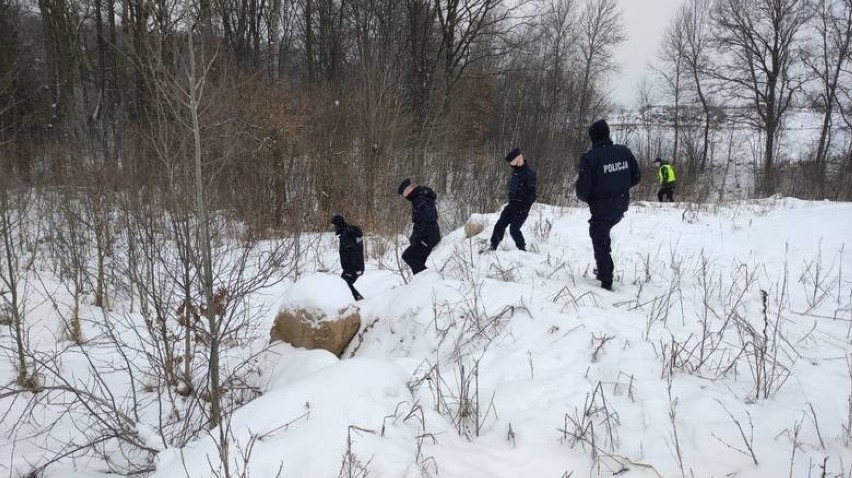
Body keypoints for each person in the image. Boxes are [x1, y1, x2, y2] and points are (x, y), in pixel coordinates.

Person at [575, 119, 641, 291]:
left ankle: (606, 280)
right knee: (602, 235)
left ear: (593, 137)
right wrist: (619, 187)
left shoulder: (591, 158)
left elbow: (582, 191)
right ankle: (602, 267)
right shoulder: (624, 152)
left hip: (602, 207)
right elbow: (636, 176)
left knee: (599, 236)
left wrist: (594, 196)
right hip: (620, 205)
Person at [485, 146, 537, 252]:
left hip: (522, 209)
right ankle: (493, 246)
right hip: (511, 206)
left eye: (512, 163)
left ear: (518, 160)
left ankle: (522, 249)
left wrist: (524, 207)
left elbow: (532, 196)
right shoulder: (516, 171)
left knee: (514, 229)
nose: (511, 166)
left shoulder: (529, 175)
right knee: (500, 224)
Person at [397, 178, 441, 275]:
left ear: (408, 190)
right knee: (417, 258)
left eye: (403, 194)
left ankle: (424, 279)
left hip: (429, 238)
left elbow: (426, 220)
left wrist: (415, 238)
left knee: (408, 256)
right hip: (431, 234)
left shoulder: (419, 199)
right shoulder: (421, 195)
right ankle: (422, 280)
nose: (404, 197)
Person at [331, 214, 365, 300]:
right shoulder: (347, 232)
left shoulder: (346, 235)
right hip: (353, 267)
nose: (333, 228)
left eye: (334, 225)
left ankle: (358, 300)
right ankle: (357, 300)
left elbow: (354, 253)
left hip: (353, 268)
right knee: (344, 284)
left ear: (337, 225)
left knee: (343, 284)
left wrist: (356, 269)